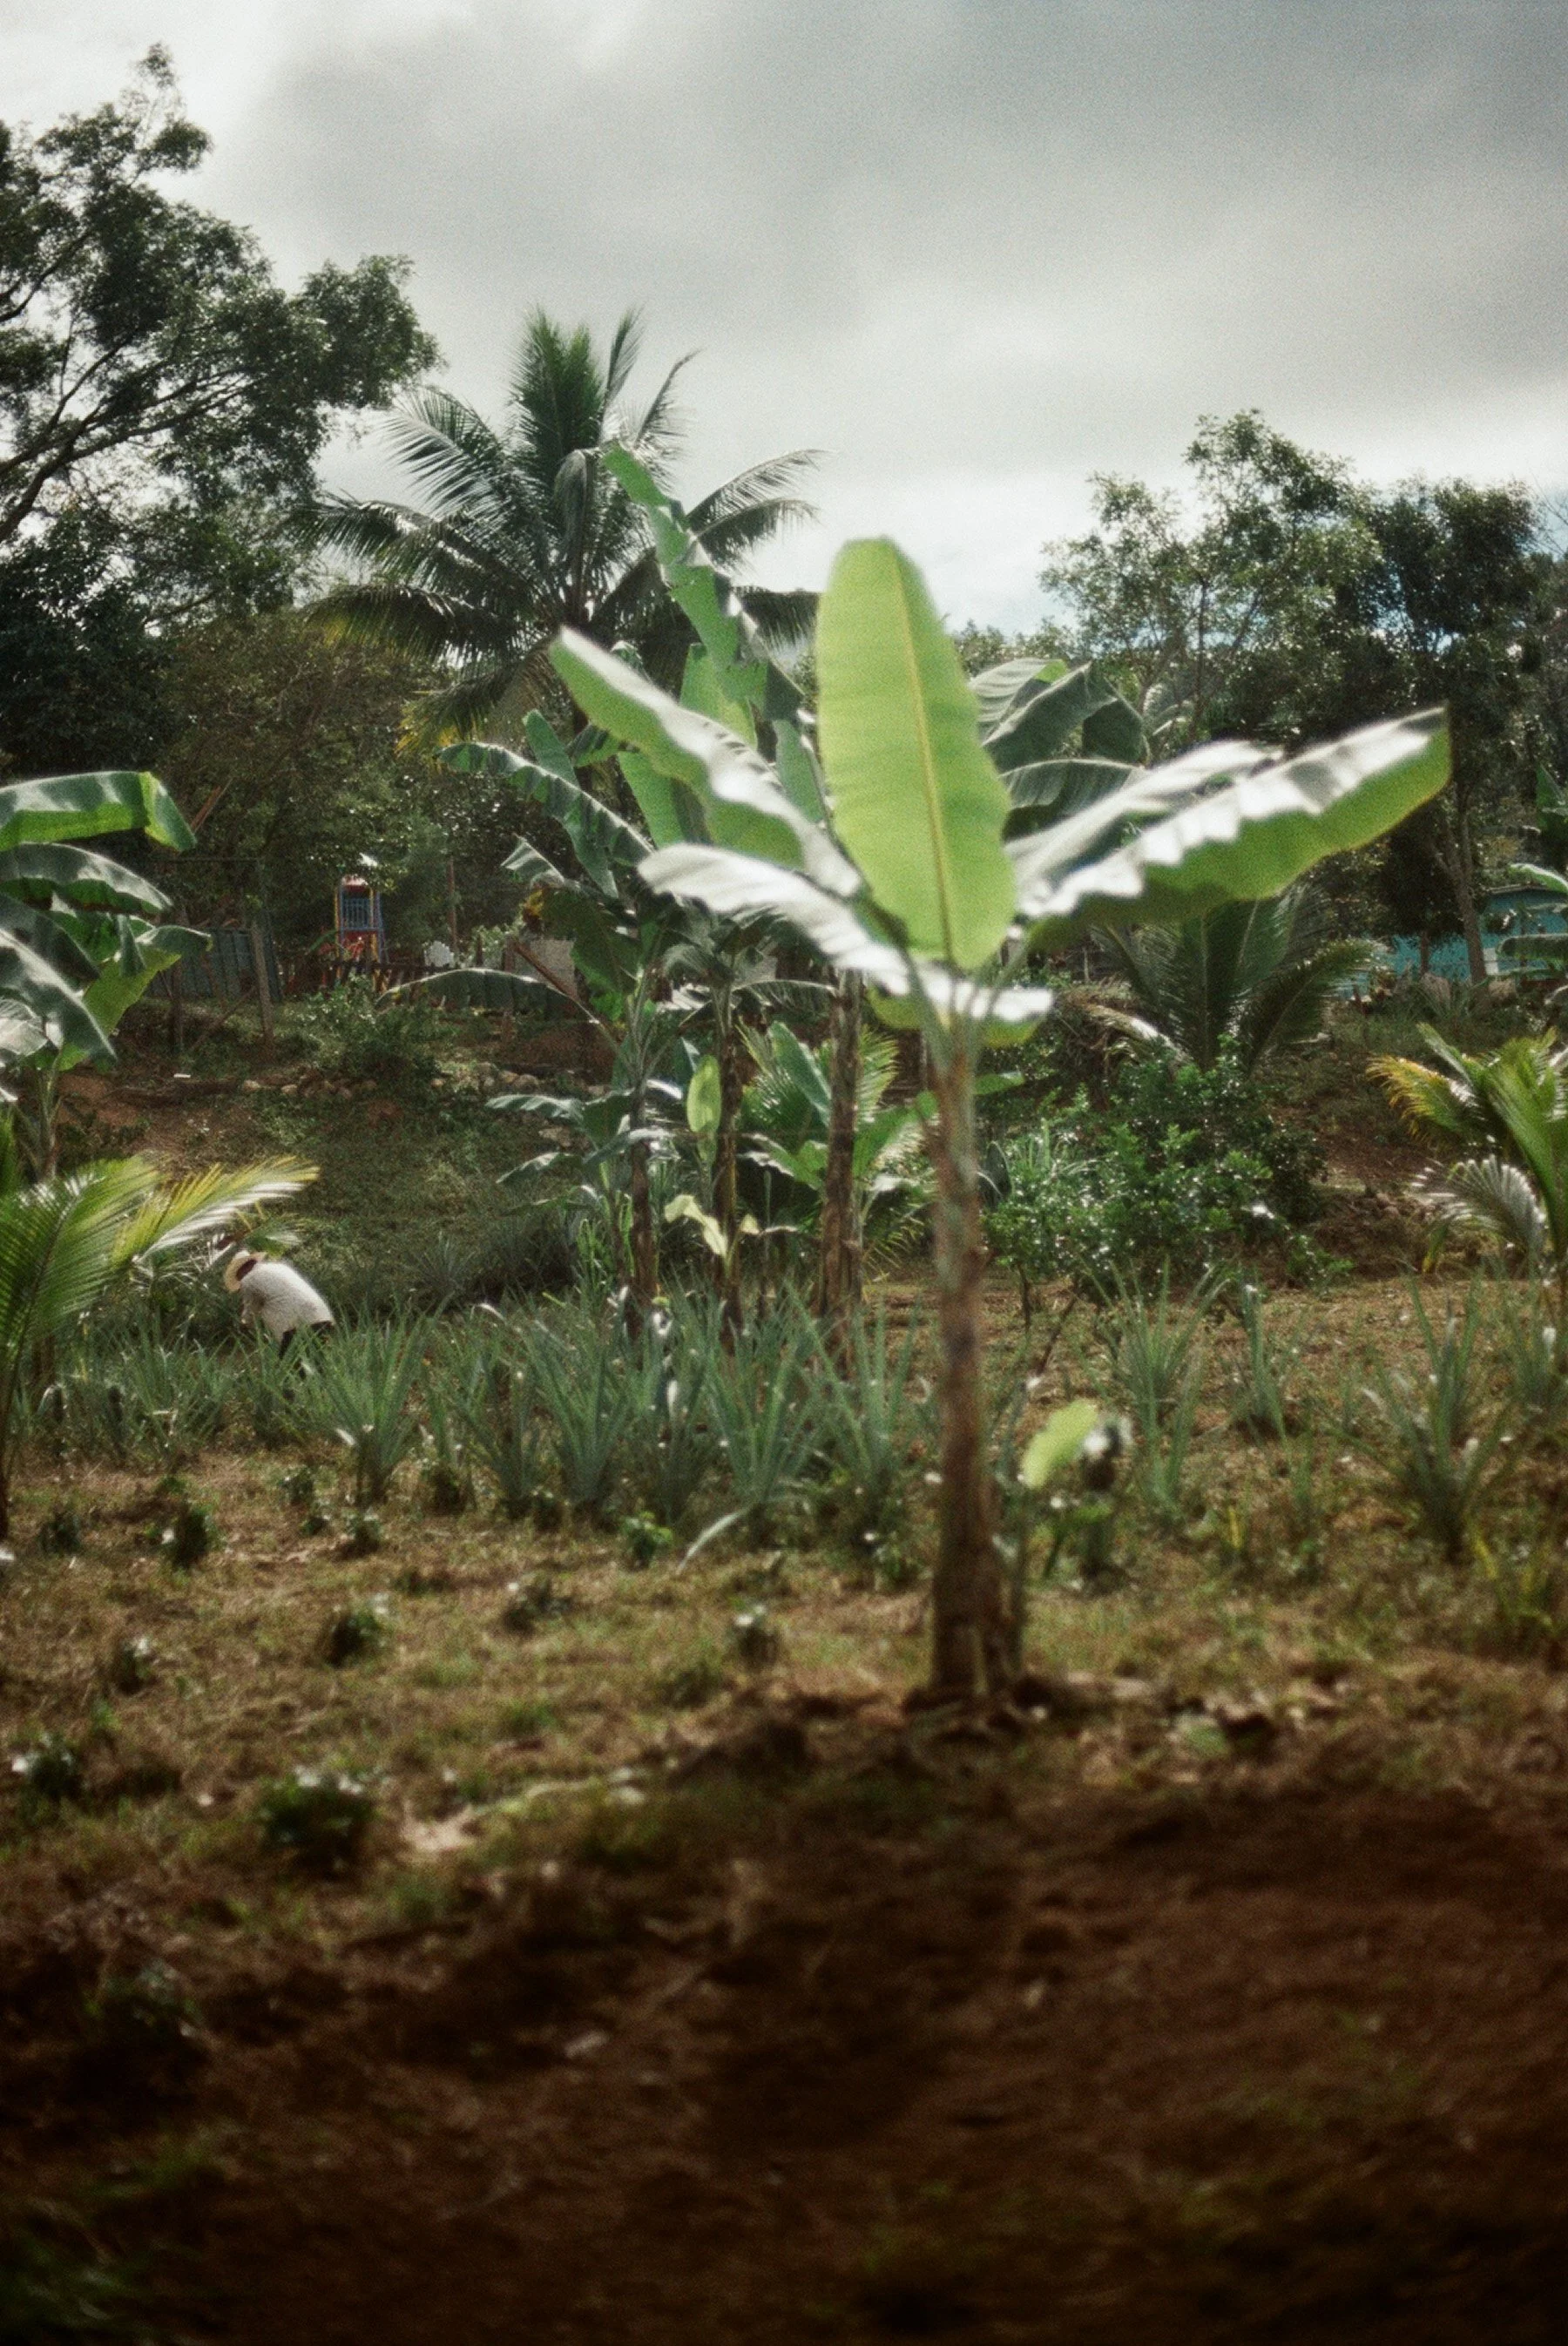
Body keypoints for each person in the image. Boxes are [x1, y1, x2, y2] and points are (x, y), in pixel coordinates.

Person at [224, 1249, 335, 1356]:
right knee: (320, 1363)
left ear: (242, 1270)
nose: (240, 1279)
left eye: (239, 1276)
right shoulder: (279, 1267)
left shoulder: (248, 1280)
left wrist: (244, 1324)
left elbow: (251, 1311)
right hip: (321, 1315)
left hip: (295, 1323)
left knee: (292, 1369)